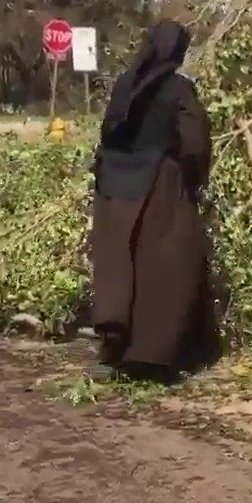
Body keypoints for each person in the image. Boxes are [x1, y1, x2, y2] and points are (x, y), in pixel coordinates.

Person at [90, 20, 219, 383]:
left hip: (113, 189)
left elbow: (108, 132)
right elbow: (195, 143)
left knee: (119, 262)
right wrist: (190, 179)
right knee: (167, 261)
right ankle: (150, 355)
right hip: (156, 184)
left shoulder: (124, 85)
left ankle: (115, 342)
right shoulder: (178, 89)